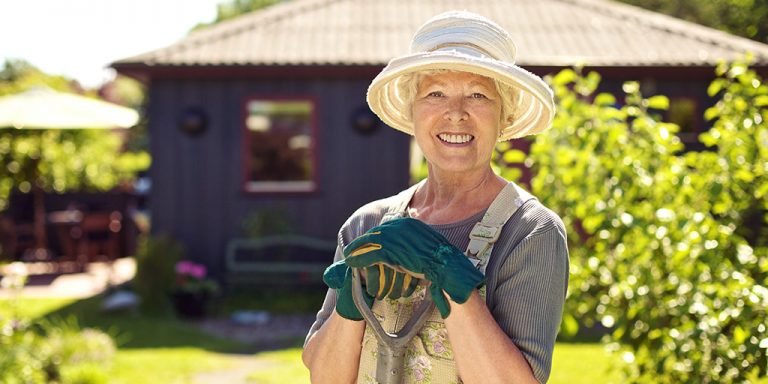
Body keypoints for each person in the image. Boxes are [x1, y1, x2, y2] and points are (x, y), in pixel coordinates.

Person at [303, 10, 569, 384]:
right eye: (436, 93)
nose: (456, 114)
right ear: (412, 113)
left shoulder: (530, 232)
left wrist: (450, 275)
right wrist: (352, 303)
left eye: (478, 95)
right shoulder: (366, 225)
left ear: (504, 118)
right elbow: (326, 379)